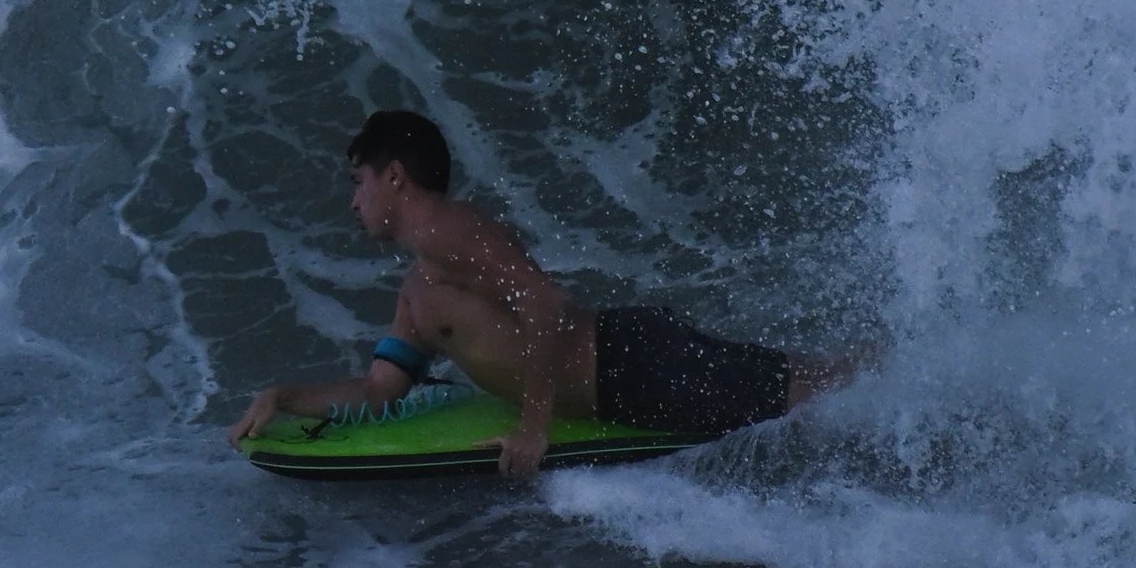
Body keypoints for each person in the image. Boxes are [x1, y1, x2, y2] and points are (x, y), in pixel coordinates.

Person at [226, 111, 852, 477]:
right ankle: (911, 377)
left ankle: (923, 419)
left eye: (359, 182)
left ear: (395, 178)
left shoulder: (454, 231)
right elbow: (379, 392)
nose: (353, 200)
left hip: (629, 366)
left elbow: (545, 305)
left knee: (815, 401)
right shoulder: (417, 289)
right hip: (629, 361)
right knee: (824, 380)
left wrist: (534, 428)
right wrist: (284, 397)